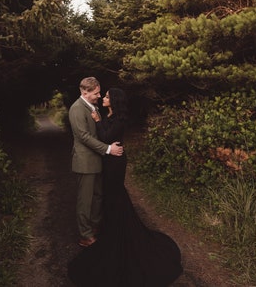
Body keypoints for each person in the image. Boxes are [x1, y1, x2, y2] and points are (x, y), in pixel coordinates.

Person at [68, 88, 183, 286]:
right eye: (103, 95)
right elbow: (105, 134)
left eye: (106, 96)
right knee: (110, 196)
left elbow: (104, 136)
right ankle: (112, 228)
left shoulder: (120, 119)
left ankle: (120, 232)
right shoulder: (110, 115)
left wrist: (97, 121)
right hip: (109, 161)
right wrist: (101, 122)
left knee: (115, 195)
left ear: (114, 100)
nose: (103, 98)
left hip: (115, 163)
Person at [68, 77, 123, 248]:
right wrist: (108, 149)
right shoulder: (77, 109)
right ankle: (85, 235)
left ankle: (95, 228)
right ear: (84, 92)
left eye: (99, 92)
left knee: (98, 197)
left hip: (98, 161)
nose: (99, 96)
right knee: (85, 201)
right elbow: (83, 136)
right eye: (96, 93)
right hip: (85, 163)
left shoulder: (94, 108)